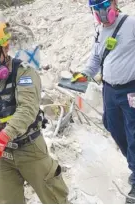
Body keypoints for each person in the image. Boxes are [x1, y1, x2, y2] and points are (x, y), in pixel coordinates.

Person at [0, 20, 69, 204]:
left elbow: (27, 109)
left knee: (55, 198)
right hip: (1, 153)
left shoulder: (24, 74)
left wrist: (5, 134)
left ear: (5, 48)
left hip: (29, 147)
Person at [72, 0, 135, 203]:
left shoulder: (131, 24)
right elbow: (95, 61)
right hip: (109, 90)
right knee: (113, 127)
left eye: (104, 5)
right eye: (96, 8)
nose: (100, 11)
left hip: (131, 89)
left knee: (134, 132)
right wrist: (80, 78)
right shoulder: (99, 31)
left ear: (114, 3)